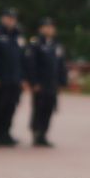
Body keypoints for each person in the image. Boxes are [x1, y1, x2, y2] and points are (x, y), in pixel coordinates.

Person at [26, 16, 70, 147]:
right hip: (40, 83)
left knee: (49, 109)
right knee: (38, 108)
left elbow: (61, 65)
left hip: (53, 83)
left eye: (51, 27)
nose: (50, 29)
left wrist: (62, 81)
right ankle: (36, 132)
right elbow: (31, 65)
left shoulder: (57, 46)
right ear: (41, 29)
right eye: (47, 27)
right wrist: (34, 82)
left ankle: (44, 133)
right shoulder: (36, 44)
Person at [0, 8, 26, 147]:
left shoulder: (19, 36)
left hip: (15, 79)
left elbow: (23, 59)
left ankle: (6, 133)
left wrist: (23, 77)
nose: (11, 21)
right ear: (2, 19)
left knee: (11, 106)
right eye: (8, 18)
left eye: (13, 18)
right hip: (1, 78)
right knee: (0, 106)